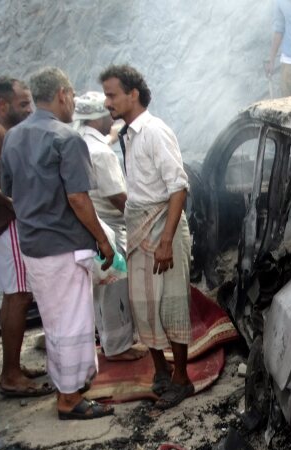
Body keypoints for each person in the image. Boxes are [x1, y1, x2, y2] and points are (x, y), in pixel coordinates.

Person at [0, 67, 115, 420]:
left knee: (54, 321)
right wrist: (103, 241)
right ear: (64, 95)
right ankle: (69, 399)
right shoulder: (66, 138)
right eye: (73, 98)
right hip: (63, 246)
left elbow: (8, 191)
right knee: (72, 324)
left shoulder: (13, 138)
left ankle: (70, 388)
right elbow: (79, 199)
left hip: (33, 245)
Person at [100, 64, 194, 410]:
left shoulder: (155, 131)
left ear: (132, 94)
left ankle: (182, 379)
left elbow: (179, 188)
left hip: (162, 227)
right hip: (139, 226)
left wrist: (167, 239)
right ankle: (161, 370)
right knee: (142, 305)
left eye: (112, 94)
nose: (107, 102)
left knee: (171, 304)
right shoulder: (127, 133)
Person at [0, 77, 54, 398]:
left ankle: (13, 369)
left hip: (7, 226)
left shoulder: (4, 134)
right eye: (24, 103)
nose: (30, 109)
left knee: (17, 295)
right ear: (3, 105)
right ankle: (11, 375)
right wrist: (8, 200)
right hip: (8, 226)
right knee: (18, 296)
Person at [73, 91, 147, 363]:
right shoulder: (102, 154)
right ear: (97, 117)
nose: (111, 115)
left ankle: (109, 341)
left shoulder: (79, 140)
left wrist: (112, 136)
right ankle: (118, 347)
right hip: (112, 228)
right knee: (115, 290)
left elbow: (104, 139)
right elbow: (118, 197)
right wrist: (143, 218)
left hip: (89, 227)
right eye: (107, 112)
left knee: (100, 289)